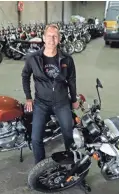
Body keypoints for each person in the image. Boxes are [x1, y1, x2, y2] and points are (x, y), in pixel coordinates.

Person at [21, 24, 79, 164]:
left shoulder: (67, 59)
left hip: (62, 102)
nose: (51, 39)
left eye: (55, 36)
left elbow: (71, 79)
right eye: (49, 36)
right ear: (43, 38)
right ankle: (39, 167)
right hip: (41, 103)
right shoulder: (33, 58)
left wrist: (74, 98)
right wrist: (28, 97)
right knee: (35, 138)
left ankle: (73, 166)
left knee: (69, 134)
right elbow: (25, 75)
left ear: (59, 39)